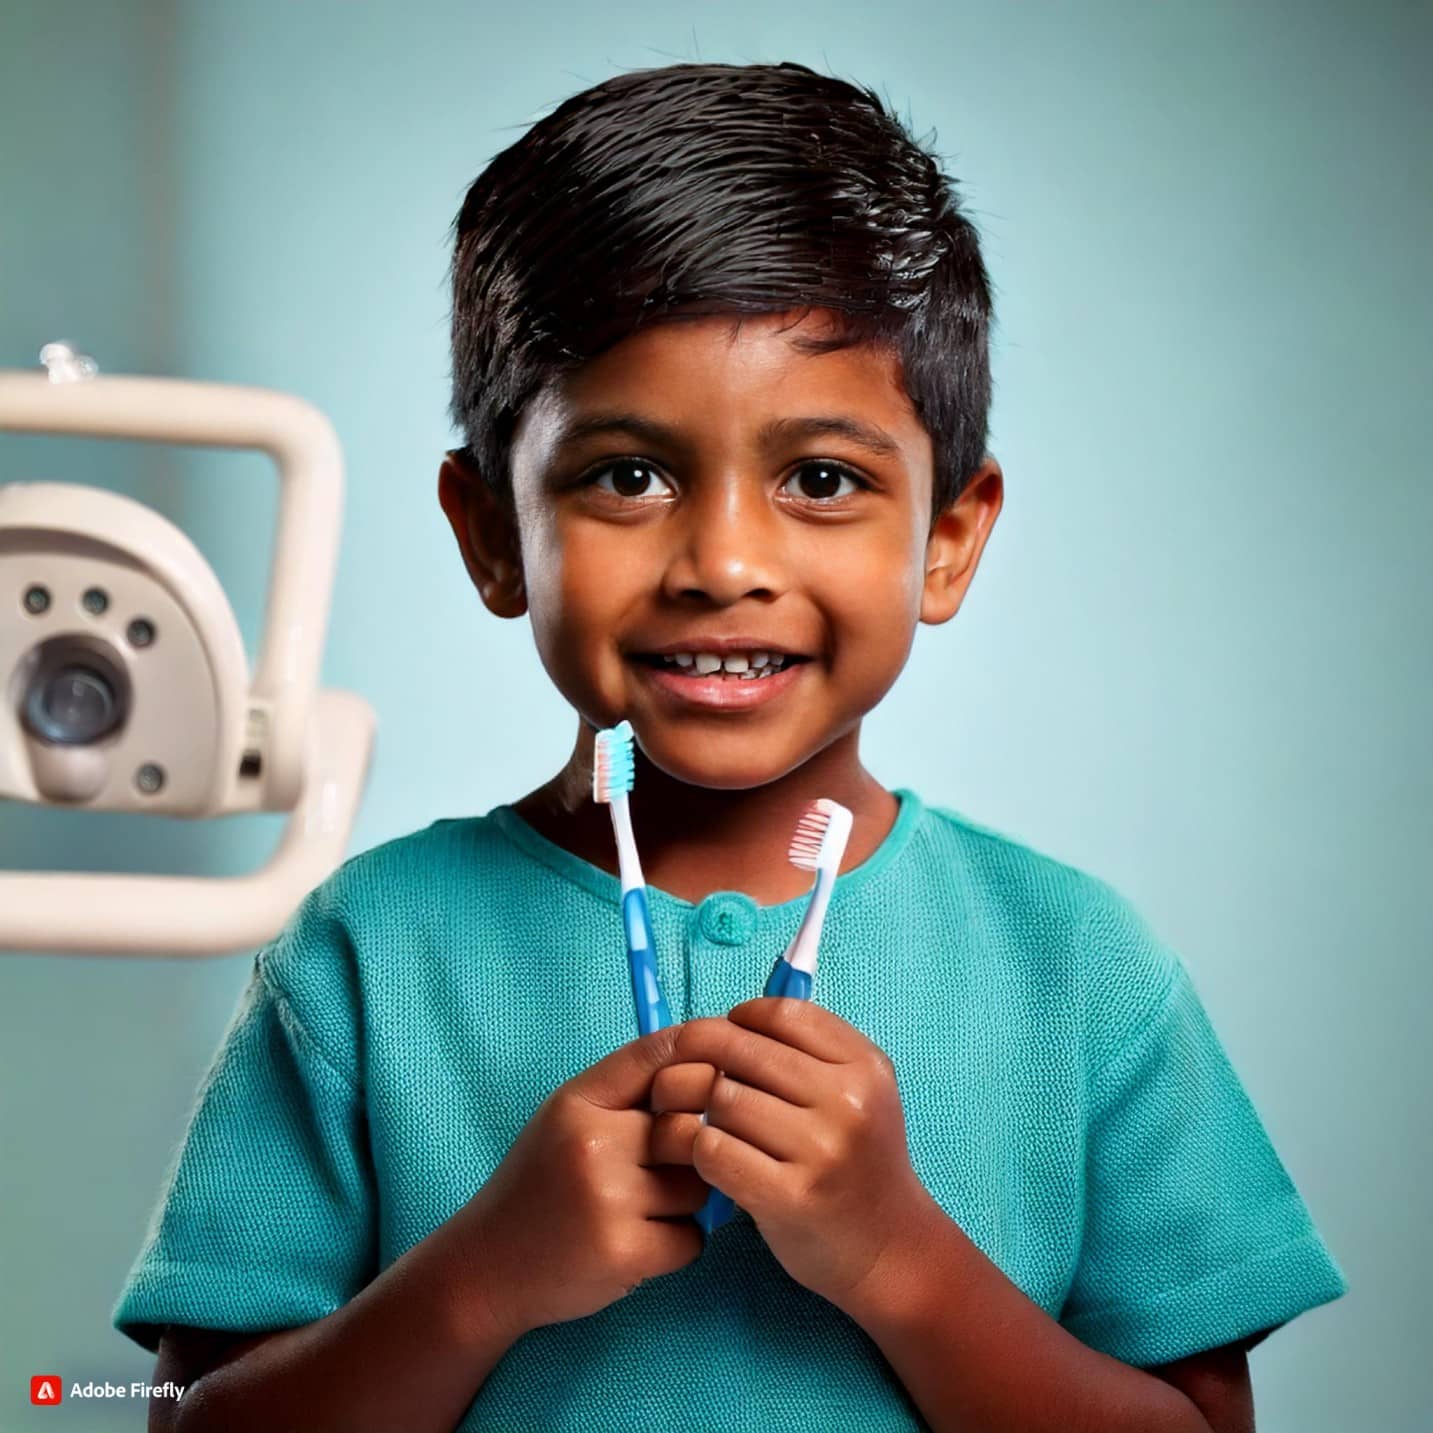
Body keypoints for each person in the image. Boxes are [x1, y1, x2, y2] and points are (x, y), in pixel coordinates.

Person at [112, 61, 1346, 1433]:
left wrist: (898, 1259)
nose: (722, 561)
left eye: (820, 479)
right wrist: (484, 1276)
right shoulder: (364, 953)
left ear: (948, 535)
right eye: (625, 474)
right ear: (487, 531)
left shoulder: (1079, 968)